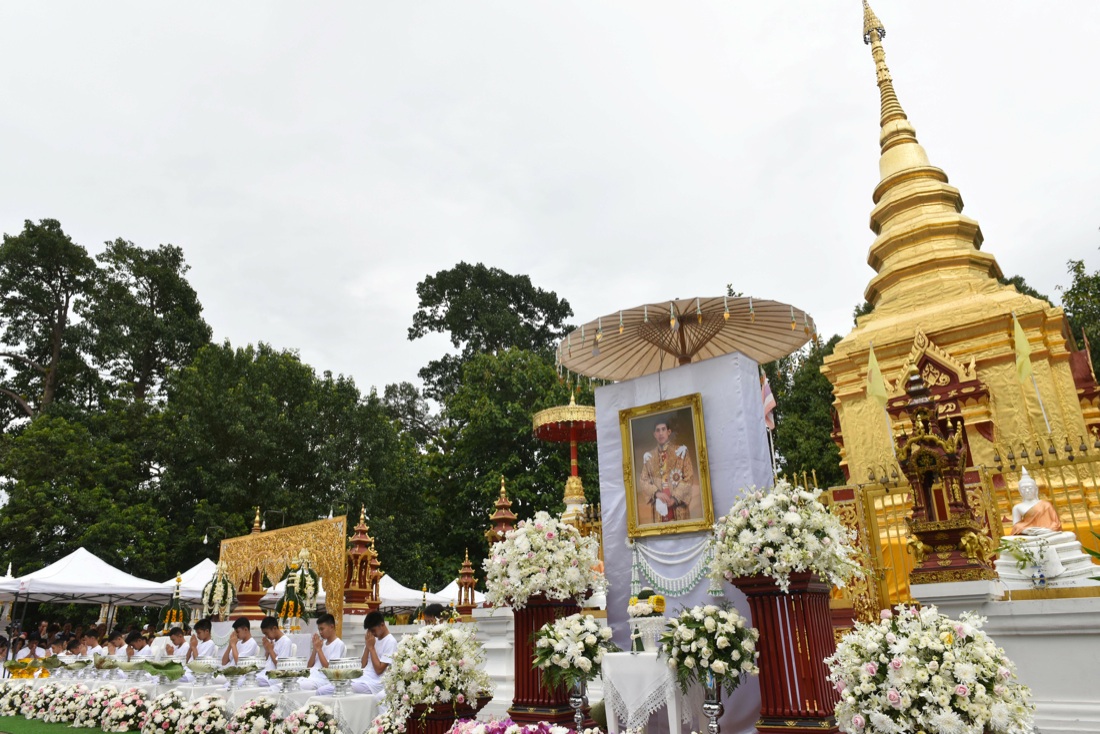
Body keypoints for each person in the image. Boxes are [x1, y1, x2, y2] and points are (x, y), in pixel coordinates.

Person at [638, 418, 698, 523]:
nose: (661, 433)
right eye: (658, 430)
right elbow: (643, 480)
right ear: (654, 434)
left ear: (668, 432)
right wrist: (657, 493)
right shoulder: (650, 457)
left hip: (678, 505)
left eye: (663, 429)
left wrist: (674, 498)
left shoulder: (681, 451)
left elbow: (689, 477)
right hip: (659, 505)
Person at [1010, 467, 1063, 535]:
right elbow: (1016, 525)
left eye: (1030, 488)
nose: (1027, 491)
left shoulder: (1046, 505)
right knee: (1006, 539)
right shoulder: (1017, 507)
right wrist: (1027, 531)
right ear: (1020, 492)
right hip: (1030, 533)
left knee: (1070, 535)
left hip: (1048, 532)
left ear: (1036, 489)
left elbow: (1056, 523)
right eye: (1023, 489)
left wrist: (1047, 530)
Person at [302, 613, 346, 690]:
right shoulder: (322, 644)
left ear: (331, 627)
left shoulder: (338, 644)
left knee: (300, 686)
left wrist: (319, 650)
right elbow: (309, 666)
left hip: (322, 679)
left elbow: (329, 669)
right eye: (319, 629)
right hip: (311, 675)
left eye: (322, 629)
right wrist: (315, 649)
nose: (320, 632)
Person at [257, 616, 293, 686]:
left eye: (266, 633)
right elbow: (266, 661)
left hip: (276, 676)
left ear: (274, 628)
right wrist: (267, 650)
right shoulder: (272, 641)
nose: (266, 636)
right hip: (265, 672)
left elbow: (281, 667)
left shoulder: (286, 641)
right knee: (245, 679)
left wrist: (270, 650)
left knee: (256, 682)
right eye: (264, 634)